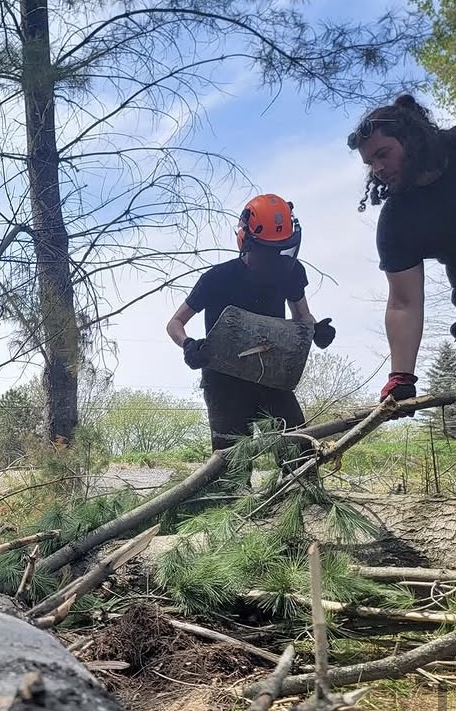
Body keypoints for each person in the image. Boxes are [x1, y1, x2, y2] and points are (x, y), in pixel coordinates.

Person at [165, 193, 336, 450]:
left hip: (272, 375)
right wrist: (188, 345)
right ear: (246, 241)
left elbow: (303, 316)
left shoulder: (290, 272)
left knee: (298, 450)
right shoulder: (217, 278)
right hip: (224, 383)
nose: (272, 260)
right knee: (232, 461)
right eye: (265, 252)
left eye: (279, 251)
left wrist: (316, 331)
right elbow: (175, 323)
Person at [348, 93, 456, 403]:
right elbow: (403, 303)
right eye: (370, 163)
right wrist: (401, 376)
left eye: (383, 154)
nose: (378, 169)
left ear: (411, 139)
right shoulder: (398, 220)